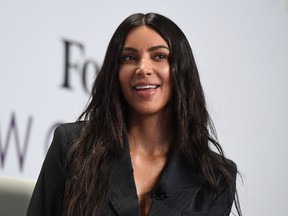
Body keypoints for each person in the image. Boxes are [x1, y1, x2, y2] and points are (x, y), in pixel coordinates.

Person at [27, 12, 241, 216]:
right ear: (115, 72)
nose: (143, 68)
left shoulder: (215, 176)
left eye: (159, 56)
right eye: (129, 58)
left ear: (181, 69)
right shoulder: (72, 145)